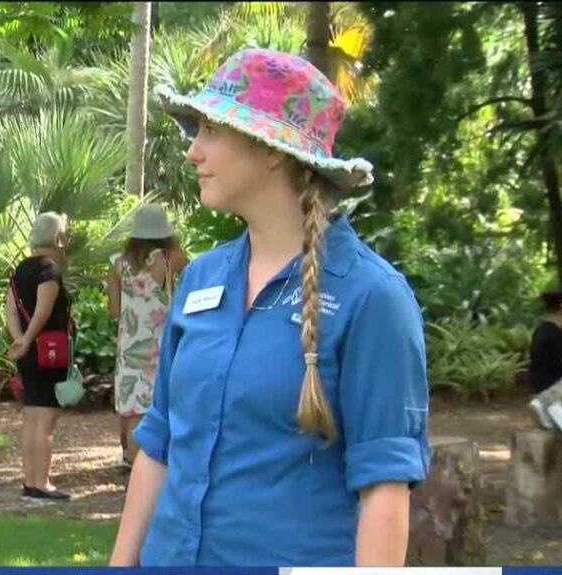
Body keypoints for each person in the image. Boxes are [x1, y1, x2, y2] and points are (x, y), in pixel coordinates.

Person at [109, 48, 431, 567]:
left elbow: (385, 493)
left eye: (211, 131)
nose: (194, 151)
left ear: (274, 149)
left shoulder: (372, 299)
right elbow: (160, 443)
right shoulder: (199, 280)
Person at [107, 203, 187, 468]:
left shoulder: (117, 263)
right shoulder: (169, 257)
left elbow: (114, 310)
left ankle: (134, 467)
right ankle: (161, 469)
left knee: (132, 412)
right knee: (164, 405)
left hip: (129, 346)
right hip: (162, 343)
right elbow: (194, 281)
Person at [5, 212, 73, 501]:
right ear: (57, 238)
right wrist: (29, 338)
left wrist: (19, 340)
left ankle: (31, 482)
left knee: (32, 416)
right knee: (45, 419)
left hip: (29, 353)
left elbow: (9, 309)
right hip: (49, 353)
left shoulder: (21, 270)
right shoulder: (49, 270)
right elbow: (44, 311)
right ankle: (42, 483)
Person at [527, 288, 562, 431]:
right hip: (551, 387)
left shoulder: (542, 330)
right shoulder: (554, 335)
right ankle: (547, 403)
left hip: (544, 385)